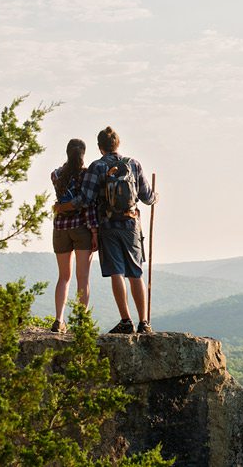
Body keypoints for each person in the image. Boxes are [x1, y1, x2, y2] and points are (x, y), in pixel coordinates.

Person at [58, 126, 157, 334]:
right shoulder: (133, 164)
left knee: (117, 272)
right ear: (117, 144)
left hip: (108, 225)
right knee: (135, 272)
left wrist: (63, 207)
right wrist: (157, 197)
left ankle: (126, 320)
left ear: (100, 146)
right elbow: (147, 197)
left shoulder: (97, 167)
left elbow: (84, 200)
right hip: (131, 225)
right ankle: (144, 322)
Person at [50, 138, 98, 333]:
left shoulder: (55, 175)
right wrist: (94, 231)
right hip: (81, 228)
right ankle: (80, 322)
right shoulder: (86, 175)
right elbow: (88, 204)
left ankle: (59, 320)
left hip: (60, 226)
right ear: (83, 154)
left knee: (63, 277)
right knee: (83, 278)